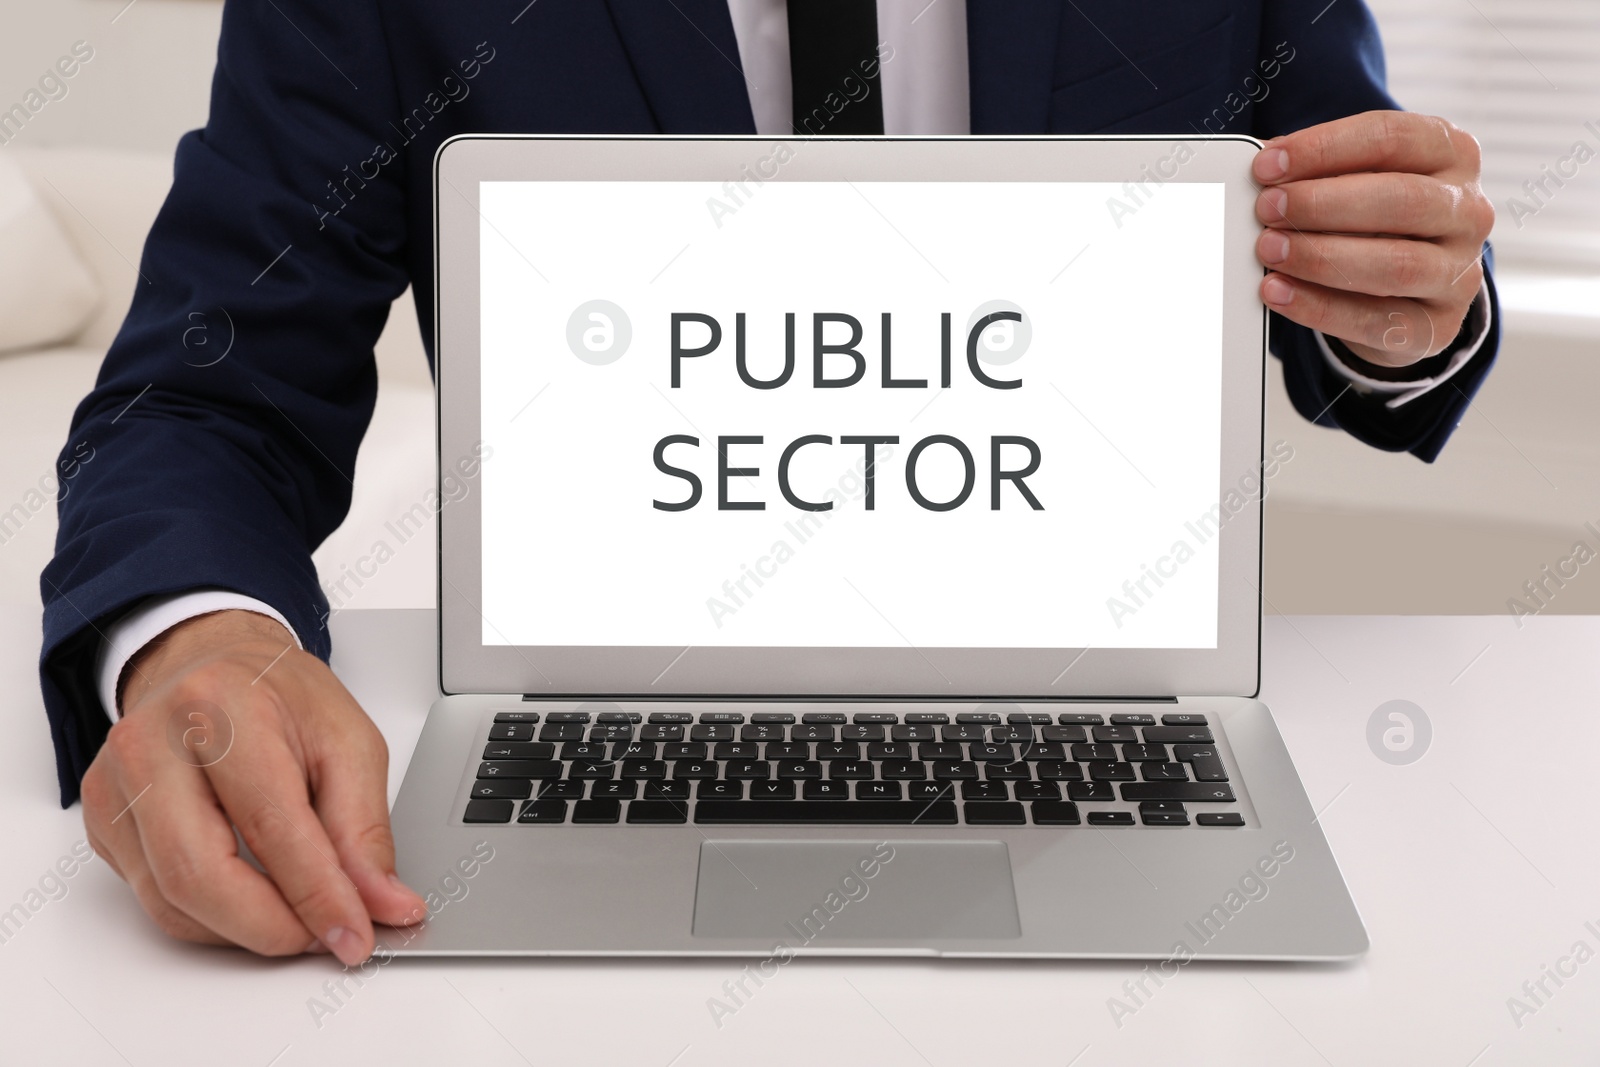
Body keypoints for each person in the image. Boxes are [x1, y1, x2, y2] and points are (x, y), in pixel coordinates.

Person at [39, 0, 1496, 966]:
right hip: (585, 734)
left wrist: (1408, 302)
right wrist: (201, 637)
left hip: (1096, 703)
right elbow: (205, 386)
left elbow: (1367, 257)